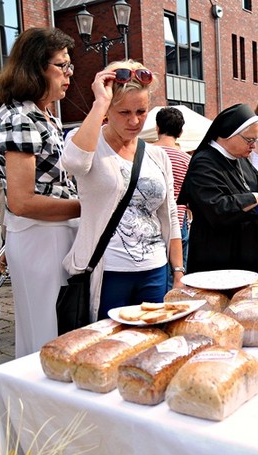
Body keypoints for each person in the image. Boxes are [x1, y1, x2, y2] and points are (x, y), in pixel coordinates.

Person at [62, 61, 184, 321]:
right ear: (109, 111)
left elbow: (170, 215)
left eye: (141, 111)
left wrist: (178, 270)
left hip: (155, 268)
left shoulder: (156, 155)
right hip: (108, 271)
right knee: (109, 349)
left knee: (151, 346)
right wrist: (99, 103)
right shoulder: (88, 142)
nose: (134, 120)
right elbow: (73, 163)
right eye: (123, 112)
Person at [0, 28, 80, 358]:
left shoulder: (44, 115)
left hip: (53, 232)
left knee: (58, 327)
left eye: (70, 66)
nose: (69, 74)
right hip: (40, 236)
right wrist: (86, 207)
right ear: (36, 67)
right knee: (47, 331)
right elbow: (21, 200)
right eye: (62, 65)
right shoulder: (21, 115)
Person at [178, 103, 258, 274]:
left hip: (246, 251)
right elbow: (217, 207)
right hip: (219, 256)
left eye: (256, 140)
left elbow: (248, 184)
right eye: (250, 140)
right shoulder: (204, 162)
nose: (253, 146)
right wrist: (256, 198)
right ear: (229, 134)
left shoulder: (239, 157)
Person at [154, 106, 191, 287]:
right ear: (181, 131)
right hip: (179, 218)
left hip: (152, 219)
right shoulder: (186, 159)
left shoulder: (145, 153)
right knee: (178, 272)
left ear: (157, 128)